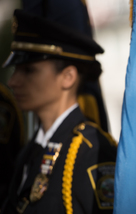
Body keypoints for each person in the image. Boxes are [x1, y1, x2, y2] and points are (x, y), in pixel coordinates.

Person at [1, 10, 117, 214]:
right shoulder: (29, 152)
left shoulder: (93, 151)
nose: (13, 82)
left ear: (68, 77)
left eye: (29, 70)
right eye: (16, 70)